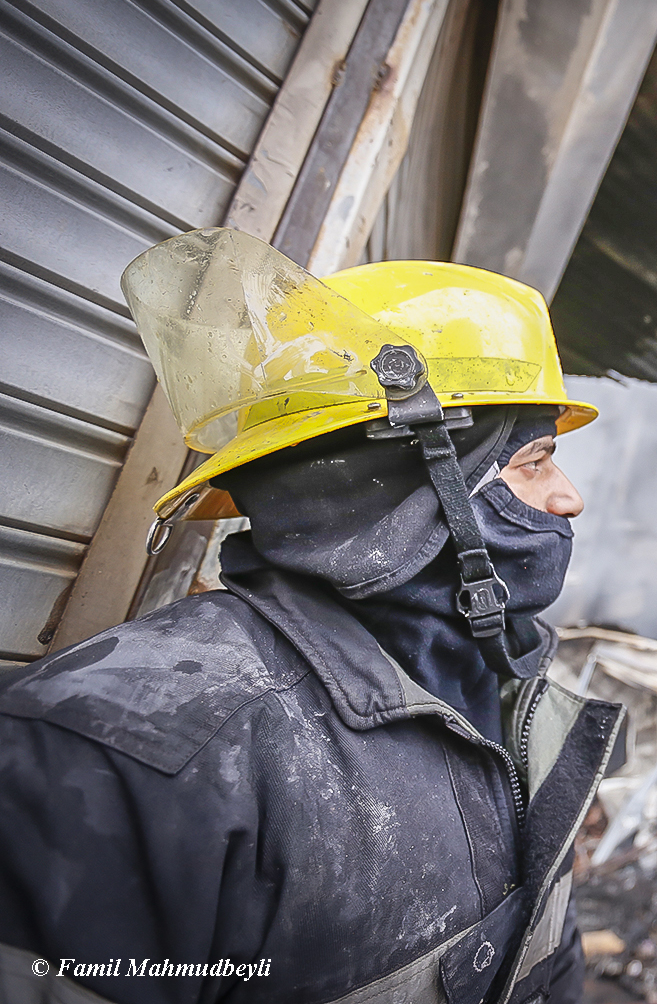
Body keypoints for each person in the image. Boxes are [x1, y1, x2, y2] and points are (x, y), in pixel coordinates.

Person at [0, 228, 624, 1004]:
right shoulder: (119, 749)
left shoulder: (509, 693)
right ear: (399, 488)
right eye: (532, 460)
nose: (570, 498)